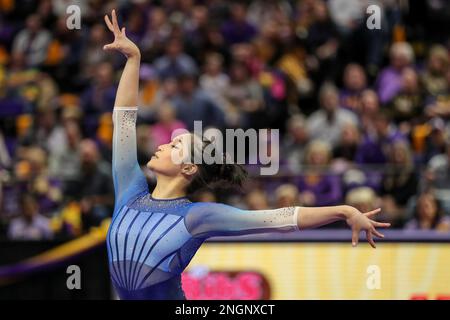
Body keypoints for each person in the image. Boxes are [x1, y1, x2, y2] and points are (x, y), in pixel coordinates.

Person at [103, 10, 390, 300]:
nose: (163, 145)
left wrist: (345, 211)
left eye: (175, 146)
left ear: (189, 168)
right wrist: (133, 60)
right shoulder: (130, 190)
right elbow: (124, 121)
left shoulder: (197, 216)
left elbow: (277, 219)